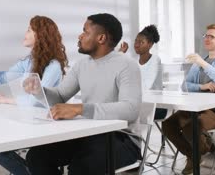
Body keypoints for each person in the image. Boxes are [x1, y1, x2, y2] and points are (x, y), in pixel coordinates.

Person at [25, 13, 142, 175]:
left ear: (101, 38)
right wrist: (39, 91)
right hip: (88, 133)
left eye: (85, 32)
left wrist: (80, 109)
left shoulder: (126, 65)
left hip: (121, 139)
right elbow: (59, 96)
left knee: (82, 167)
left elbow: (130, 109)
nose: (80, 36)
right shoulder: (81, 65)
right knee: (36, 157)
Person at [0, 15, 68, 175]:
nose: (25, 33)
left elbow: (37, 101)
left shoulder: (53, 65)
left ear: (40, 35)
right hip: (30, 118)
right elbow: (0, 79)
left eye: (29, 30)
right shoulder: (28, 61)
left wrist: (6, 100)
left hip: (46, 123)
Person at [162, 24, 215, 175]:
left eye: (211, 36)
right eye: (206, 36)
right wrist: (203, 86)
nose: (207, 39)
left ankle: (200, 150)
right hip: (194, 107)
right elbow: (185, 86)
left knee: (192, 126)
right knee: (168, 125)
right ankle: (194, 154)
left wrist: (203, 64)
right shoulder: (198, 62)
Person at [119, 24, 167, 119]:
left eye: (141, 42)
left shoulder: (155, 60)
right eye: (136, 41)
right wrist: (121, 54)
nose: (137, 44)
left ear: (150, 44)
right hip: (138, 103)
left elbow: (146, 87)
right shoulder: (134, 61)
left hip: (156, 106)